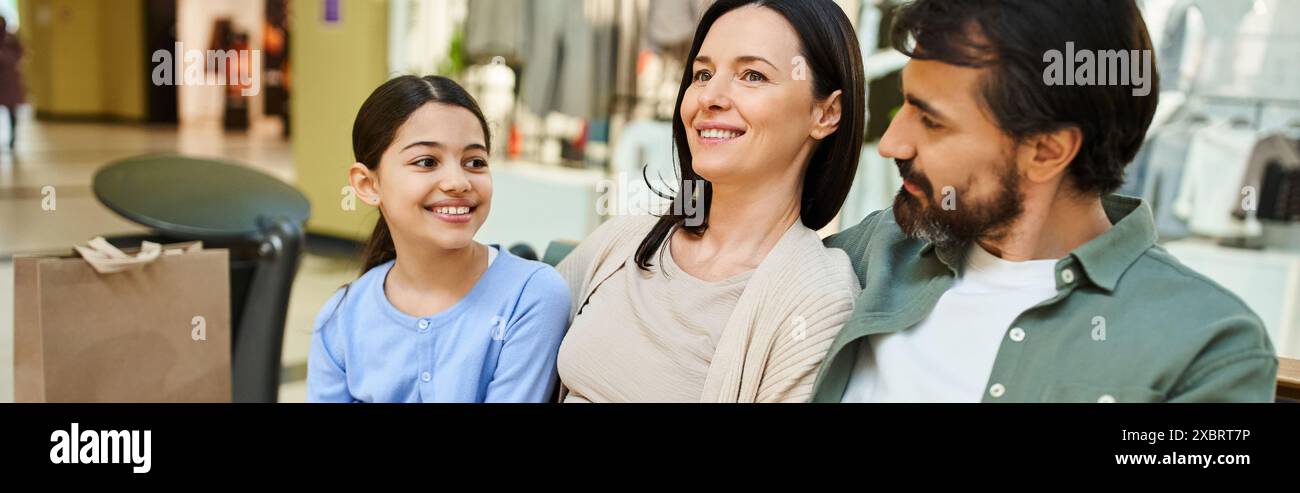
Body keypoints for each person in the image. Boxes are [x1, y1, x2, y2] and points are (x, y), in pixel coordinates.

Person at [307, 76, 570, 403]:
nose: (458, 182)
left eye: (475, 162)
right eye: (427, 162)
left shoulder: (532, 296)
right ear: (368, 184)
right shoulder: (341, 318)